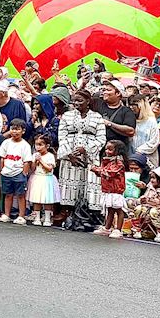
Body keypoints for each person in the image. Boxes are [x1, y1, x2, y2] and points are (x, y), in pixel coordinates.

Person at [57, 89, 106, 224]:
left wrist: (87, 150)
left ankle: (88, 216)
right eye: (74, 101)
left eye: (80, 100)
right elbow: (62, 136)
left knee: (89, 185)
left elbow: (101, 138)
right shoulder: (67, 116)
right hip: (70, 157)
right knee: (70, 185)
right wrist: (69, 155)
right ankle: (68, 213)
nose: (76, 103)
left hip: (89, 158)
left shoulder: (97, 117)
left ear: (88, 101)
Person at [92, 140, 128, 238]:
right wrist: (96, 170)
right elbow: (102, 173)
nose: (107, 151)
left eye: (110, 149)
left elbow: (111, 173)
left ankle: (118, 229)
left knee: (119, 209)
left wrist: (97, 169)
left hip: (116, 189)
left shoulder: (118, 162)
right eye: (106, 149)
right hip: (108, 189)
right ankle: (107, 228)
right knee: (110, 209)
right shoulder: (107, 160)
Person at [0, 118, 31, 223]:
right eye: (12, 129)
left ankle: (21, 216)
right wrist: (2, 170)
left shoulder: (25, 145)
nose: (14, 131)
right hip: (6, 173)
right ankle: (6, 214)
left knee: (20, 195)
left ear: (23, 131)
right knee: (8, 194)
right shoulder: (6, 143)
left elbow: (27, 161)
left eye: (17, 129)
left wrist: (24, 173)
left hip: (19, 173)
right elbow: (2, 157)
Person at [26, 134, 59, 227]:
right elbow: (32, 169)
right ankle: (37, 217)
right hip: (37, 178)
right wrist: (35, 162)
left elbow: (49, 168)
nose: (38, 147)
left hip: (47, 179)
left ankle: (47, 218)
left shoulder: (50, 156)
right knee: (37, 198)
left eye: (40, 145)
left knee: (47, 198)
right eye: (36, 144)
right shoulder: (34, 155)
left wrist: (40, 160)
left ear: (47, 146)